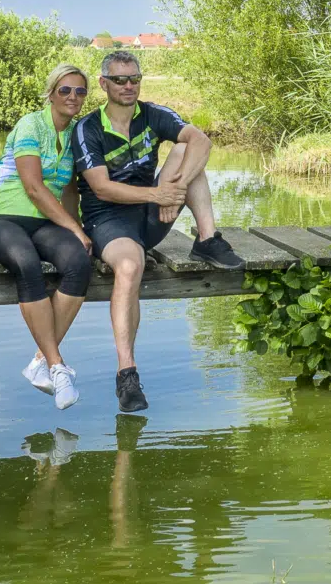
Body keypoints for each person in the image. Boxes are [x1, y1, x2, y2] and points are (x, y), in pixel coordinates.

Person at [70, 49, 242, 411]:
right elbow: (100, 188)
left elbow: (202, 141)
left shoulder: (153, 114)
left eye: (134, 78)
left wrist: (173, 188)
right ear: (103, 84)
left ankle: (207, 238)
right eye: (119, 80)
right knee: (130, 267)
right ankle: (127, 374)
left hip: (151, 215)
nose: (128, 85)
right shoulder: (87, 128)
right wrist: (159, 193)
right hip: (108, 219)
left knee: (186, 151)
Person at [0, 62, 96, 410]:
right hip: (0, 220)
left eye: (80, 91)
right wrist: (72, 227)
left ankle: (40, 360)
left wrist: (78, 228)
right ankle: (57, 368)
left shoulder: (75, 134)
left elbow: (70, 190)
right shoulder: (31, 123)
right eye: (65, 90)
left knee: (78, 262)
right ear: (52, 93)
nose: (73, 97)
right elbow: (34, 187)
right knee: (27, 264)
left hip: (44, 223)